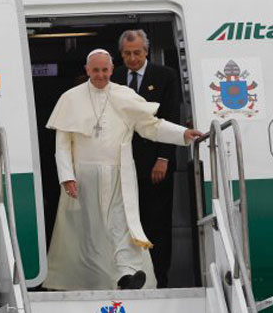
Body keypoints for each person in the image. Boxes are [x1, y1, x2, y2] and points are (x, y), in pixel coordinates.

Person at [42, 49, 201, 291]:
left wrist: (182, 134)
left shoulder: (124, 95)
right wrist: (67, 176)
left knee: (121, 224)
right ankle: (92, 282)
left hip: (118, 173)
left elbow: (151, 127)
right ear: (87, 70)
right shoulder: (70, 98)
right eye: (95, 70)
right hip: (84, 177)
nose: (100, 75)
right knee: (90, 232)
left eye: (105, 70)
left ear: (111, 69)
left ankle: (126, 275)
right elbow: (62, 145)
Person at [111, 29, 181, 287]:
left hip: (155, 163)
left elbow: (171, 117)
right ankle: (130, 277)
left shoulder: (165, 76)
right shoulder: (114, 77)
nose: (132, 58)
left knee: (157, 222)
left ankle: (160, 278)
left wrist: (164, 158)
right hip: (123, 163)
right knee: (126, 223)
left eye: (137, 53)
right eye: (127, 54)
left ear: (146, 51)